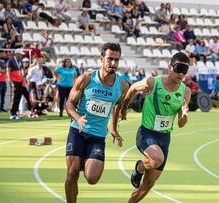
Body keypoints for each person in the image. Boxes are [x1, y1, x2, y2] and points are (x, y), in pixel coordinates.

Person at [121, 52, 191, 203]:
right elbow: (133, 88)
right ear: (169, 67)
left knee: (148, 184)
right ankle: (140, 167)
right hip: (146, 133)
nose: (181, 74)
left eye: (184, 71)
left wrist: (184, 116)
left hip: (164, 138)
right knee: (156, 159)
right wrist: (123, 108)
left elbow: (180, 123)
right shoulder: (153, 82)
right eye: (178, 69)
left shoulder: (185, 91)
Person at [64, 42, 129, 203]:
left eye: (116, 60)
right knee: (72, 173)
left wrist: (113, 128)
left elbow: (117, 106)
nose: (113, 63)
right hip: (78, 131)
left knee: (92, 178)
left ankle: (84, 158)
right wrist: (78, 118)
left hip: (98, 137)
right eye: (109, 59)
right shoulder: (86, 79)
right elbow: (69, 104)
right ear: (101, 59)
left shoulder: (122, 85)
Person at [7, 49, 24, 120]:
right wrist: (11, 82)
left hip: (19, 81)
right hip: (14, 81)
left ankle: (15, 112)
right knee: (15, 97)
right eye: (20, 54)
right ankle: (12, 113)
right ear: (17, 54)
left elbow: (21, 70)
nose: (21, 56)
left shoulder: (20, 61)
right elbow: (8, 71)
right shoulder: (10, 60)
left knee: (18, 97)